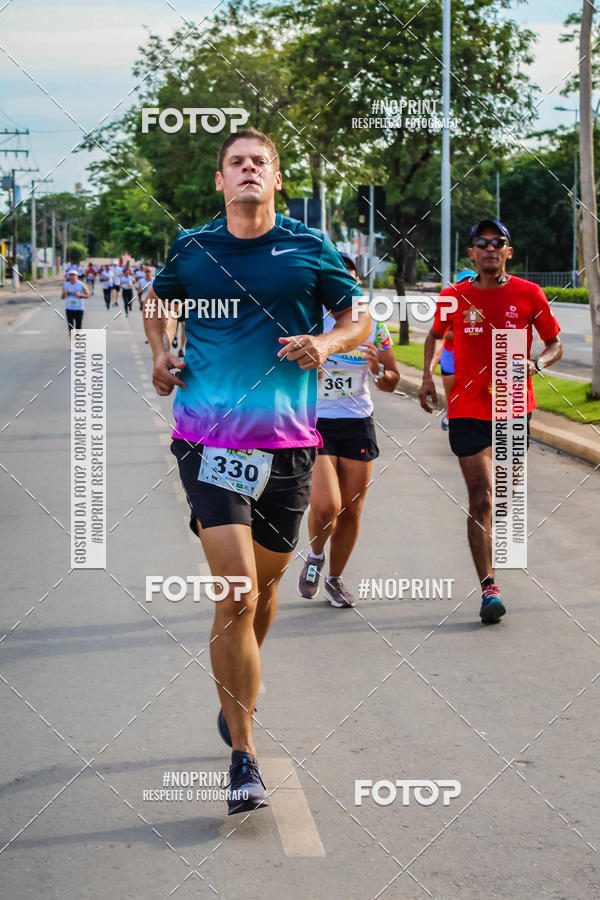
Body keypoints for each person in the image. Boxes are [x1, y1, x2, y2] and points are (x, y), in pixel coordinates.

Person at [144, 127, 370, 815]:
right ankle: (243, 754)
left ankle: (233, 691)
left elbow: (356, 316)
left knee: (264, 593)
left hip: (291, 445)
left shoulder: (308, 247)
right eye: (236, 162)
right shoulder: (194, 247)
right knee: (238, 594)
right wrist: (159, 355)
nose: (248, 170)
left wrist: (327, 341)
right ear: (221, 180)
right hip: (210, 441)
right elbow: (158, 300)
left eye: (259, 162)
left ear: (277, 178)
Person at [419, 219, 562, 624]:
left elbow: (554, 344)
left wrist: (537, 362)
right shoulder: (454, 296)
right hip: (466, 408)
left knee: (505, 499)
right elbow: (435, 335)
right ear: (471, 253)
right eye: (481, 244)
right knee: (480, 497)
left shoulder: (529, 294)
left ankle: (494, 554)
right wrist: (428, 376)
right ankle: (489, 588)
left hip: (515, 405)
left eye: (497, 243)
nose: (489, 249)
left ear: (508, 252)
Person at [298, 252, 400, 608]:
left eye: (351, 278)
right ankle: (314, 556)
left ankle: (335, 580)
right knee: (327, 506)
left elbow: (391, 380)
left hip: (358, 423)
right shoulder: (311, 323)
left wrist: (377, 371)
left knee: (352, 511)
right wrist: (306, 373)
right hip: (316, 422)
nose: (345, 285)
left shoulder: (374, 326)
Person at [430, 269, 476, 431]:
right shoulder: (450, 304)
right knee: (453, 394)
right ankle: (451, 414)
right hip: (451, 354)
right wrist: (465, 334)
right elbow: (441, 333)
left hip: (475, 357)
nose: (467, 285)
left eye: (471, 281)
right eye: (463, 282)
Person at [62, 268, 90, 343]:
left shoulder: (81, 284)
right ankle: (72, 343)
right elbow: (63, 297)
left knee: (78, 327)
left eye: (73, 276)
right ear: (68, 277)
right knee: (70, 327)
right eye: (70, 276)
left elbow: (88, 295)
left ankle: (77, 341)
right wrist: (64, 293)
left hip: (79, 309)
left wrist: (80, 295)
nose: (72, 277)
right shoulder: (65, 285)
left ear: (77, 277)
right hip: (69, 308)